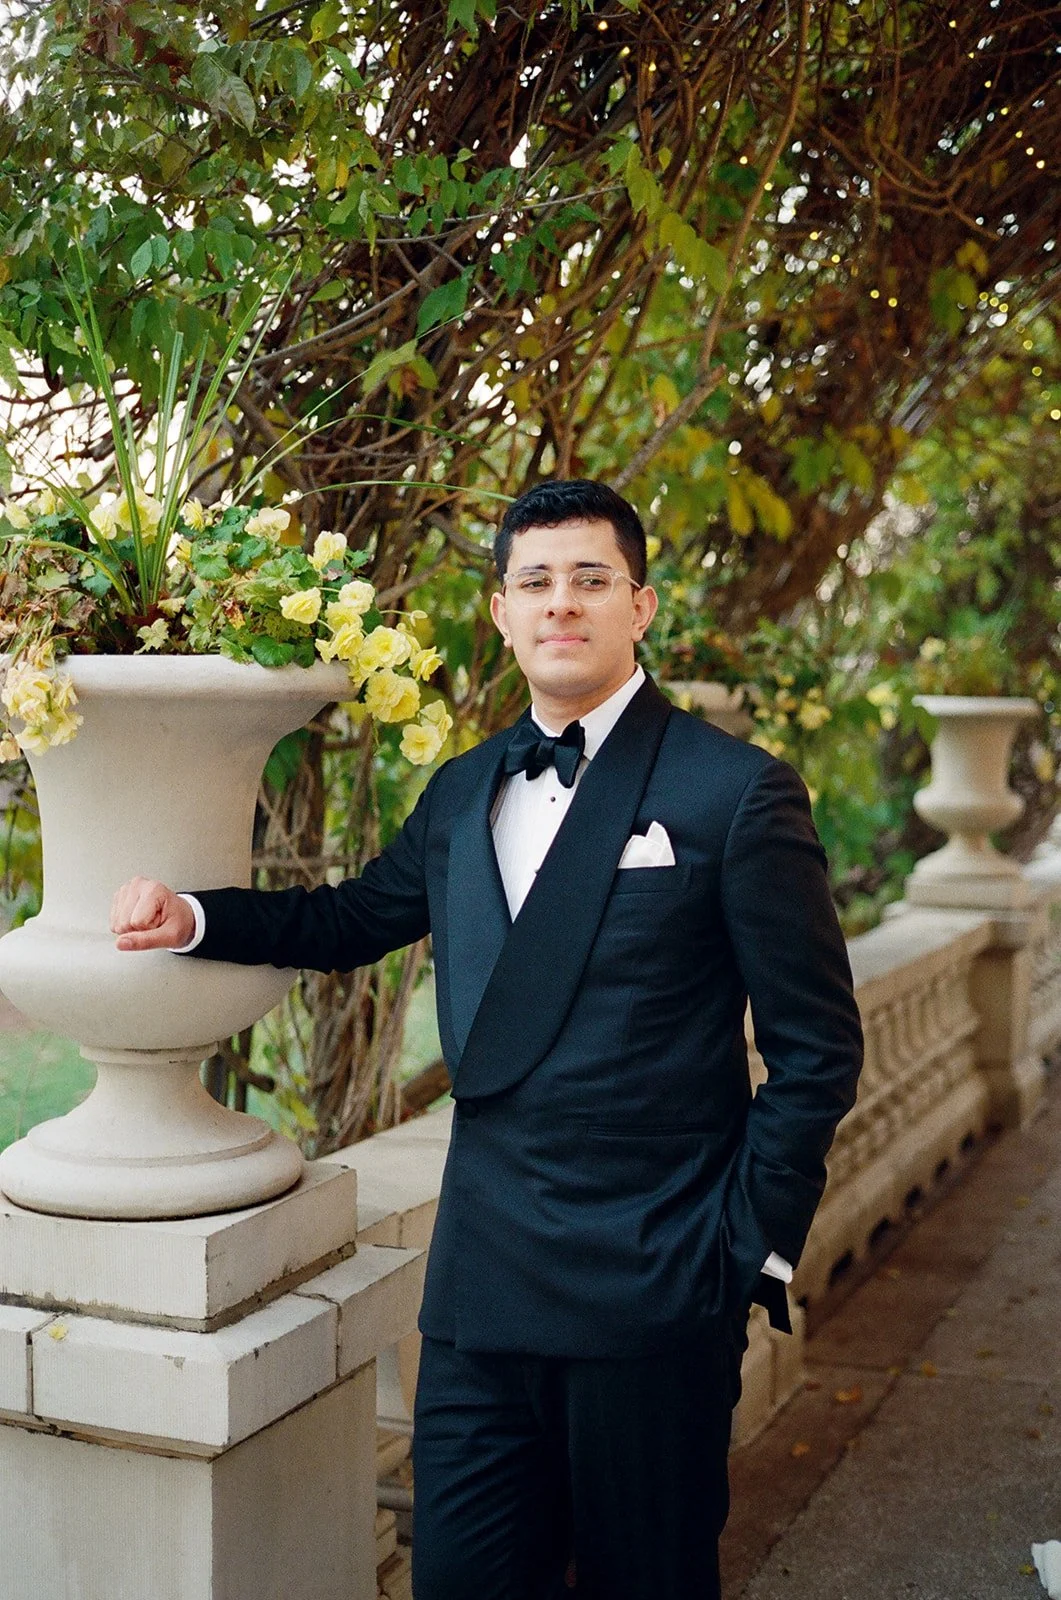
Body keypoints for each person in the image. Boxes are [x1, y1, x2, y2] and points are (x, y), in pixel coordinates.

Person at [111, 479, 863, 1600]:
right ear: (503, 614)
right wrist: (200, 915)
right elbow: (351, 917)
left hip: (654, 1281)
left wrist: (743, 1247)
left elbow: (816, 1048)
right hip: (481, 1288)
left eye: (589, 579)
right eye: (535, 581)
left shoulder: (733, 793)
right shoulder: (462, 792)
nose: (561, 603)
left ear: (640, 606)